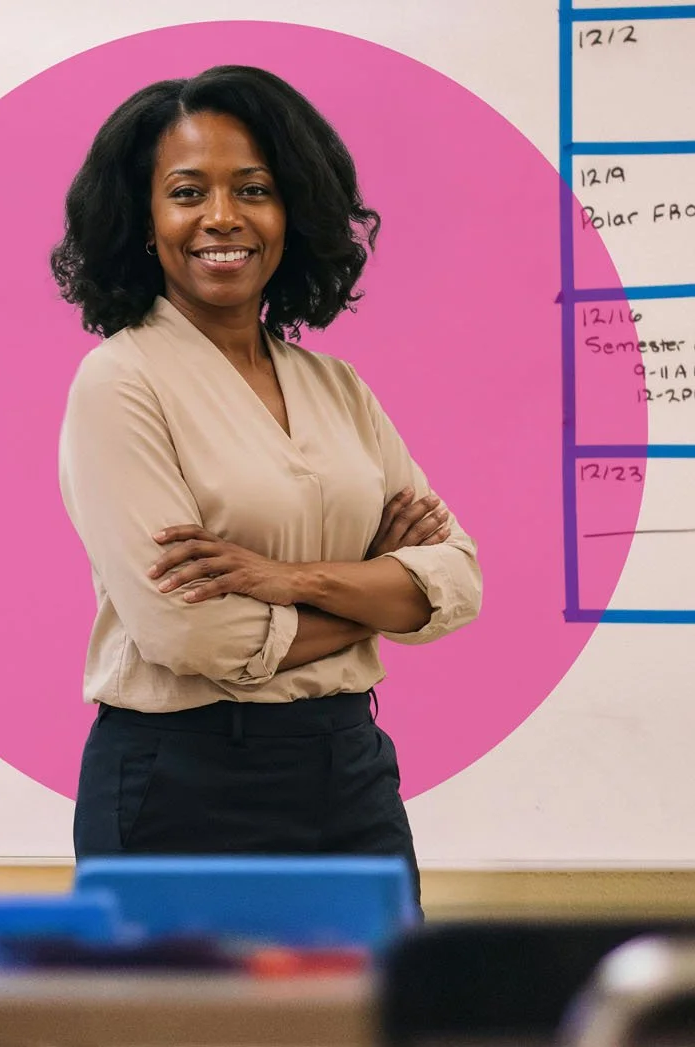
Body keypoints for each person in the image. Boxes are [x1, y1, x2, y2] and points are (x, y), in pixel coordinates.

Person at [49, 65, 483, 897]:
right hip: (182, 786)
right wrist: (372, 602)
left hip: (349, 775)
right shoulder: (120, 382)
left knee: (369, 1027)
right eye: (187, 191)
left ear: (293, 214)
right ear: (144, 220)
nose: (223, 217)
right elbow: (191, 638)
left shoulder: (338, 386)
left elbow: (458, 580)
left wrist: (287, 581)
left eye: (254, 188)